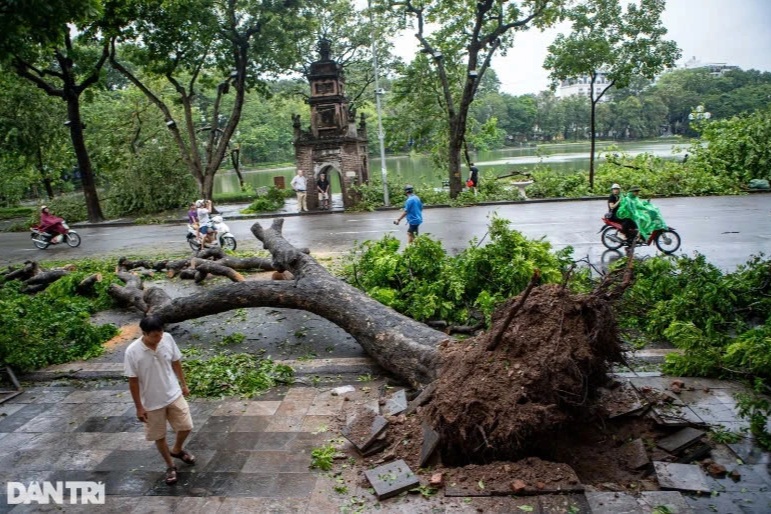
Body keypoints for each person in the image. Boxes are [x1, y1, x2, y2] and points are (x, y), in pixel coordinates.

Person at [124, 316, 195, 486]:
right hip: (151, 401)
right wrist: (139, 407)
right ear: (144, 334)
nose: (159, 339)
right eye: (154, 336)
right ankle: (170, 466)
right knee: (159, 435)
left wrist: (183, 384)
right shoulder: (132, 352)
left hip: (173, 393)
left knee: (186, 426)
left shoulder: (167, 339)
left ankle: (177, 450)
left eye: (160, 334)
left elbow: (176, 362)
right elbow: (132, 381)